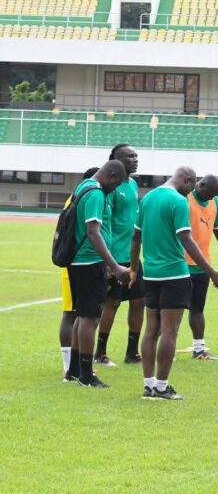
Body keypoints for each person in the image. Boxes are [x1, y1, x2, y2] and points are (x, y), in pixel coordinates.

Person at [133, 167, 218, 400]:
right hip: (174, 273)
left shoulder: (148, 198)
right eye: (191, 185)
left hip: (151, 274)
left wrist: (134, 268)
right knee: (169, 331)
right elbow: (187, 239)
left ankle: (148, 385)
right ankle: (161, 387)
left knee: (151, 330)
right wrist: (212, 272)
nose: (191, 191)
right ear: (187, 180)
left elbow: (136, 237)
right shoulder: (178, 201)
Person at [65, 161, 130, 388]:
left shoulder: (83, 186)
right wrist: (114, 266)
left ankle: (74, 371)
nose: (115, 189)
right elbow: (93, 232)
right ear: (111, 176)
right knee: (91, 318)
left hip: (81, 261)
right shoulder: (95, 193)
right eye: (116, 184)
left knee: (82, 315)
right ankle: (86, 375)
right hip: (89, 261)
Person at [94, 144, 143, 367]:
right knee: (112, 303)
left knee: (139, 301)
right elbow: (105, 224)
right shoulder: (111, 188)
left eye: (136, 156)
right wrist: (109, 262)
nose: (135, 159)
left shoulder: (133, 184)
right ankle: (100, 352)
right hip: (115, 257)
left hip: (132, 255)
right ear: (115, 160)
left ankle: (132, 352)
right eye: (129, 156)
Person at [185, 174, 218, 360]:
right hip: (181, 265)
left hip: (203, 266)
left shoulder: (214, 201)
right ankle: (161, 348)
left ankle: (199, 350)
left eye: (214, 195)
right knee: (172, 310)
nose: (211, 198)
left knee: (198, 309)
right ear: (201, 184)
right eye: (210, 194)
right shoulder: (185, 199)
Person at [58, 166, 99, 381]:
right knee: (71, 313)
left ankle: (74, 366)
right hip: (76, 263)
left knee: (79, 314)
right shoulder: (80, 198)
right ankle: (69, 366)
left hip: (78, 262)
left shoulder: (80, 197)